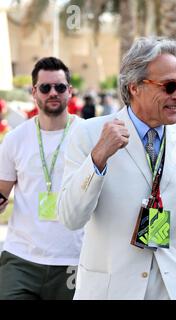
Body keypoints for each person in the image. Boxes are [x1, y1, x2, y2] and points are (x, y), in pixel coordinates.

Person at [57, 36, 176, 300]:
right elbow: (70, 218)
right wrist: (98, 158)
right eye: (169, 86)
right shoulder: (88, 134)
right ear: (134, 87)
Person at [0, 57, 83, 299]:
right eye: (45, 88)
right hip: (21, 258)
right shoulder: (16, 139)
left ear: (70, 90)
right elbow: (2, 192)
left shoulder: (88, 134)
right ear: (34, 92)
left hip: (74, 259)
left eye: (59, 87)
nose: (53, 93)